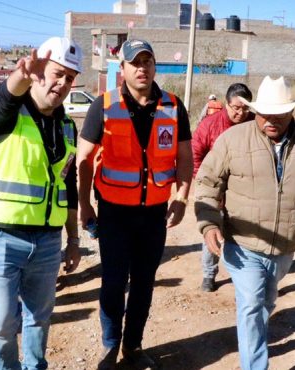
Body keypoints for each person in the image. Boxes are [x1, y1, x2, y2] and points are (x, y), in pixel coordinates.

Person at [194, 76, 295, 370]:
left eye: (279, 115)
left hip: (285, 248)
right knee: (251, 303)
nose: (271, 121)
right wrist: (209, 224)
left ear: (291, 112)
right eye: (265, 115)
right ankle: (255, 365)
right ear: (256, 111)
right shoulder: (232, 141)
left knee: (265, 302)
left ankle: (256, 341)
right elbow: (208, 183)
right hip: (242, 244)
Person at [77, 39, 193, 370]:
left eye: (148, 61)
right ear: (123, 69)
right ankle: (110, 344)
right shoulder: (104, 105)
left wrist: (182, 196)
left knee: (143, 283)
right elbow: (84, 158)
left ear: (155, 67)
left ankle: (134, 345)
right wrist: (85, 205)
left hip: (153, 213)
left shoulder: (173, 106)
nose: (142, 67)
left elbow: (184, 156)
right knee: (113, 282)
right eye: (135, 62)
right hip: (114, 212)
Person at [0, 36, 82, 370]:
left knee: (39, 320)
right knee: (3, 325)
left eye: (70, 78)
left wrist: (74, 239)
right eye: (57, 73)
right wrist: (20, 74)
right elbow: (4, 96)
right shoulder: (5, 114)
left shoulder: (66, 126)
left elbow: (69, 185)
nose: (62, 83)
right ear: (39, 72)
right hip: (0, 237)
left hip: (47, 241)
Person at [191, 83, 253, 292]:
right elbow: (195, 155)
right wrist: (205, 182)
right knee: (213, 231)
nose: (240, 113)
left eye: (245, 108)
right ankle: (209, 275)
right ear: (226, 105)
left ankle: (243, 275)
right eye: (236, 107)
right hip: (215, 191)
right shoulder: (209, 125)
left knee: (243, 235)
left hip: (244, 193)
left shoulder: (255, 125)